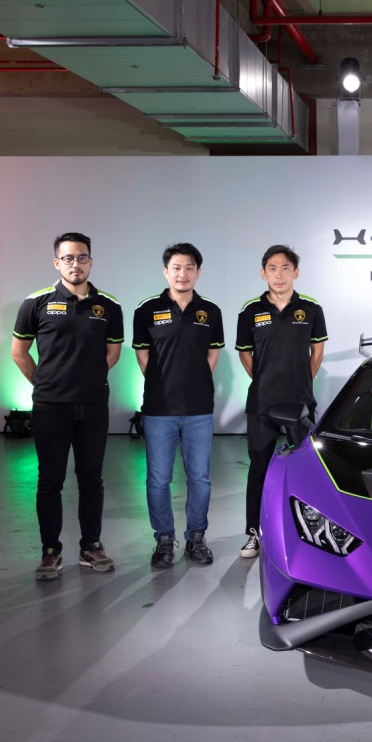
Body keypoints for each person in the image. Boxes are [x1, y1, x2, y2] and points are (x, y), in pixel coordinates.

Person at [11, 232, 124, 581]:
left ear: (91, 261)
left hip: (93, 406)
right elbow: (18, 352)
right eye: (69, 258)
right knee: (50, 480)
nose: (76, 264)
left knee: (92, 479)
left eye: (82, 257)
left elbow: (113, 352)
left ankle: (91, 547)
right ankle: (50, 552)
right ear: (57, 263)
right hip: (50, 408)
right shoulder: (36, 302)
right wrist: (46, 384)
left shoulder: (109, 305)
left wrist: (88, 380)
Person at [132, 243, 224, 569]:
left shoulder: (210, 311)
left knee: (200, 479)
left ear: (198, 272)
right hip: (159, 409)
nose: (182, 274)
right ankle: (164, 539)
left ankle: (196, 537)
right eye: (176, 267)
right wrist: (163, 383)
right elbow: (142, 353)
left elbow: (213, 352)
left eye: (189, 268)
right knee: (158, 480)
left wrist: (195, 381)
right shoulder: (146, 309)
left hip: (199, 409)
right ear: (165, 271)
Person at [235, 245, 327, 559]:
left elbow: (317, 352)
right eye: (272, 268)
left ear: (295, 272)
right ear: (264, 273)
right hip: (262, 404)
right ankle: (254, 534)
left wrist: (301, 383)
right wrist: (263, 381)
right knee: (259, 469)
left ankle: (309, 537)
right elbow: (245, 354)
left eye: (285, 268)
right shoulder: (250, 310)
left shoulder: (311, 308)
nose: (279, 274)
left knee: (305, 471)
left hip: (300, 404)